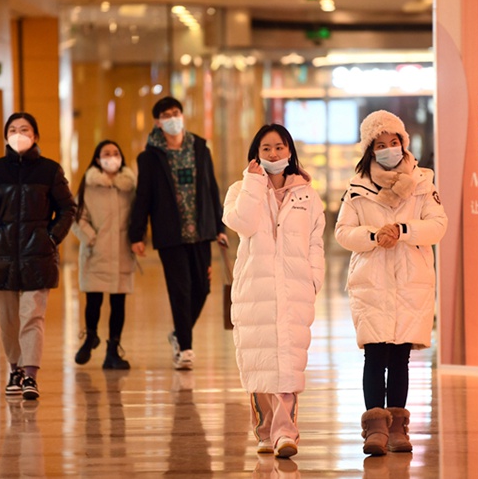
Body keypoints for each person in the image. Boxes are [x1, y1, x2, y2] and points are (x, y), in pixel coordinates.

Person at [334, 110, 447, 455]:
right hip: (371, 282)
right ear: (370, 150)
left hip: (411, 281)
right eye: (379, 145)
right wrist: (372, 234)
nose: (388, 149)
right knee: (375, 354)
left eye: (393, 142)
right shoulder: (357, 189)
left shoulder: (424, 183)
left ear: (403, 143)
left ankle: (398, 428)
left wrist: (403, 230)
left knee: (400, 357)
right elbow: (342, 233)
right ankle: (375, 430)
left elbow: (438, 225)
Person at [222, 124, 325, 459]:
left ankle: (285, 434)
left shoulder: (307, 194)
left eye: (279, 147)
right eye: (266, 149)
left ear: (290, 151)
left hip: (295, 289)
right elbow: (242, 223)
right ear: (256, 153)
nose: (274, 154)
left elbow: (315, 242)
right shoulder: (240, 188)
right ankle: (266, 432)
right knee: (259, 363)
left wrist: (314, 280)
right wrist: (254, 183)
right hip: (256, 288)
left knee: (289, 364)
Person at [0, 112, 76, 400]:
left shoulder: (49, 170)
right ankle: (15, 368)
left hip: (37, 256)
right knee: (8, 319)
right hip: (2, 256)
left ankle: (30, 375)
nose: (19, 133)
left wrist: (52, 237)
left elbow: (68, 208)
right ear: (6, 135)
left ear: (36, 136)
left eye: (25, 129)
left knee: (32, 317)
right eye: (14, 129)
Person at [129, 96, 228, 370]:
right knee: (180, 289)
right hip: (170, 233)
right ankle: (185, 347)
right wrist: (137, 234)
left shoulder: (199, 148)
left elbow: (211, 188)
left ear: (182, 115)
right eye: (166, 115)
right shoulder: (149, 157)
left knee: (203, 287)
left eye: (176, 112)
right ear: (158, 122)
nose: (172, 118)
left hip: (201, 231)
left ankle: (177, 334)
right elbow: (144, 196)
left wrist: (219, 226)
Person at [71, 140, 136, 370]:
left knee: (118, 302)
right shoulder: (89, 186)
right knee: (94, 300)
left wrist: (137, 239)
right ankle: (90, 337)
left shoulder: (129, 187)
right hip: (95, 253)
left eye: (116, 153)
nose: (112, 157)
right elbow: (76, 216)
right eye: (106, 153)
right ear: (97, 159)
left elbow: (138, 216)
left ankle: (113, 350)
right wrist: (92, 238)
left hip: (122, 252)